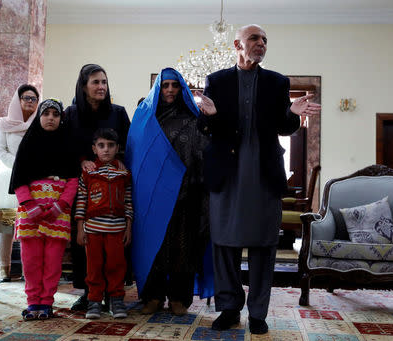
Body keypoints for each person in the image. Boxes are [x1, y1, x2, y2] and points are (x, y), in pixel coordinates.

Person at [196, 24, 321, 334]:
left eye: (265, 39)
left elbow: (284, 126)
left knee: (264, 247)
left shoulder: (277, 83)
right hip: (227, 175)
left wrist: (293, 113)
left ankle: (258, 314)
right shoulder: (218, 81)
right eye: (255, 38)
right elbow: (207, 128)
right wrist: (209, 117)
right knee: (224, 245)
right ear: (238, 44)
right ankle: (229, 308)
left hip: (264, 175)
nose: (261, 44)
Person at [125, 68, 213, 316]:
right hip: (151, 197)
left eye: (175, 85)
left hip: (185, 196)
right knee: (154, 246)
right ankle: (152, 296)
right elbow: (136, 156)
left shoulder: (193, 119)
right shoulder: (145, 118)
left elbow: (203, 154)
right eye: (166, 86)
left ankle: (179, 298)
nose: (171, 90)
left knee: (181, 248)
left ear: (182, 88)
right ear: (158, 89)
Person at [65, 64, 131, 311]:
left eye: (104, 81)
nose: (101, 86)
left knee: (113, 249)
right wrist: (82, 160)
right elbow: (65, 147)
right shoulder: (70, 114)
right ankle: (89, 293)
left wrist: (116, 160)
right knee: (85, 244)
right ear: (84, 86)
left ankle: (113, 294)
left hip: (113, 187)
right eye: (95, 82)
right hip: (83, 186)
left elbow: (127, 145)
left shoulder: (118, 112)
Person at [8, 98, 80, 320]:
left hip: (57, 214)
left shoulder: (68, 145)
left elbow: (73, 180)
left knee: (52, 263)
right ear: (39, 117)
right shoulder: (28, 144)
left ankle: (46, 302)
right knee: (30, 263)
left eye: (55, 114)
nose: (50, 118)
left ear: (61, 118)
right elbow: (19, 178)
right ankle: (33, 303)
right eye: (46, 113)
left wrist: (60, 205)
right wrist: (30, 206)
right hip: (31, 215)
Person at [75, 128, 132, 319]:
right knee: (94, 266)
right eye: (101, 145)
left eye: (110, 145)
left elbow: (128, 202)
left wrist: (128, 228)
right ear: (94, 149)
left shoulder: (124, 174)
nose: (106, 150)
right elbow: (81, 200)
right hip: (92, 230)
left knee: (116, 265)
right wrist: (80, 228)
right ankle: (93, 302)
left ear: (117, 148)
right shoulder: (88, 173)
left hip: (117, 229)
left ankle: (116, 301)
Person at [0, 84, 39, 282]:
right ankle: (4, 269)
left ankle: (26, 271)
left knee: (29, 227)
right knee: (5, 227)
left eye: (34, 99)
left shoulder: (40, 123)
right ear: (18, 100)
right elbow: (0, 150)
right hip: (7, 178)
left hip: (32, 180)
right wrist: (18, 165)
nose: (30, 102)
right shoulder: (4, 123)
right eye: (26, 98)